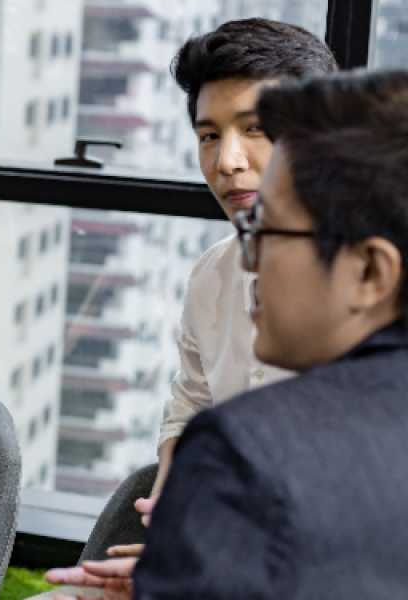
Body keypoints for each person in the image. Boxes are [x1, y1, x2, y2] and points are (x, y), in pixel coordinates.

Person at [54, 69, 408, 599]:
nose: (249, 261)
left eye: (267, 232)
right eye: (209, 135)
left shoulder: (245, 449)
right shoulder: (209, 277)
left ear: (371, 271)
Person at [142, 17, 337, 523]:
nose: (227, 161)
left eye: (255, 128)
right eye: (209, 135)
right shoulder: (212, 273)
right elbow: (191, 403)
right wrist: (171, 492)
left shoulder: (381, 285)